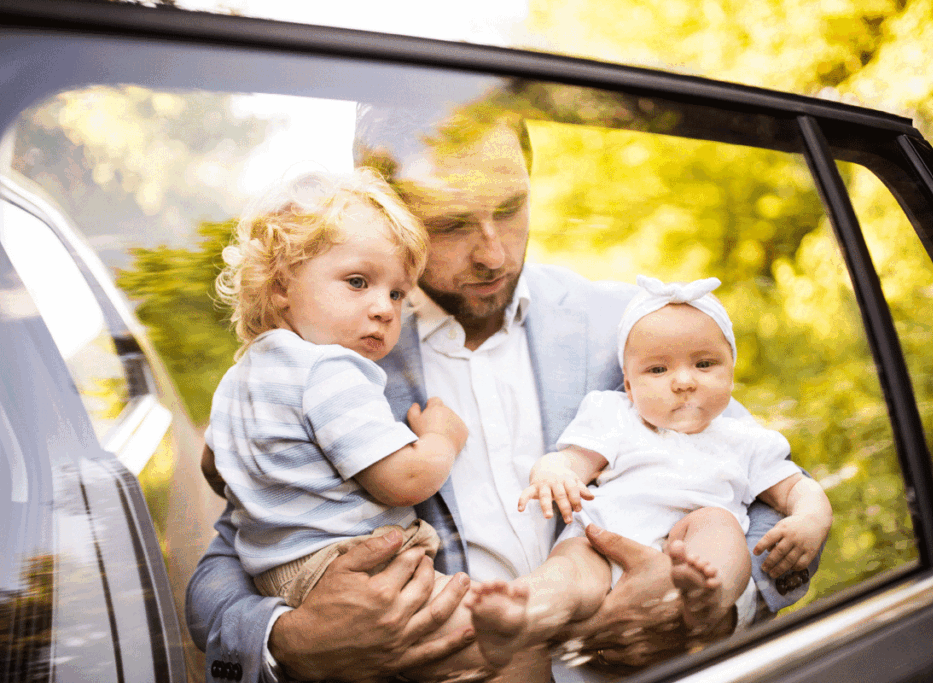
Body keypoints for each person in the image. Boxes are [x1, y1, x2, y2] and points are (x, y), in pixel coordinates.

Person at [187, 102, 821, 683]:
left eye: (512, 207)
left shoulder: (630, 328)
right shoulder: (330, 351)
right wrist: (291, 639)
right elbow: (231, 555)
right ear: (392, 214)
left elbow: (756, 484)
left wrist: (713, 609)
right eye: (453, 222)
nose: (494, 252)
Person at [467, 276, 833, 674]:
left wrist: (811, 517)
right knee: (568, 569)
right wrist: (553, 472)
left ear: (731, 370)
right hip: (602, 542)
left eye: (704, 364)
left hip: (689, 547)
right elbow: (572, 460)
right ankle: (521, 611)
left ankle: (710, 597)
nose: (683, 381)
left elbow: (797, 488)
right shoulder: (616, 416)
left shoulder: (745, 440)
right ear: (628, 384)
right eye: (657, 369)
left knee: (719, 524)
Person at [205, 168, 470, 615]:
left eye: (398, 293)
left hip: (277, 575)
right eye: (358, 282)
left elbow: (215, 469)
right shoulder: (330, 368)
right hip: (355, 566)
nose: (384, 309)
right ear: (281, 285)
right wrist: (443, 438)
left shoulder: (239, 377)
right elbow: (403, 481)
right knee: (503, 639)